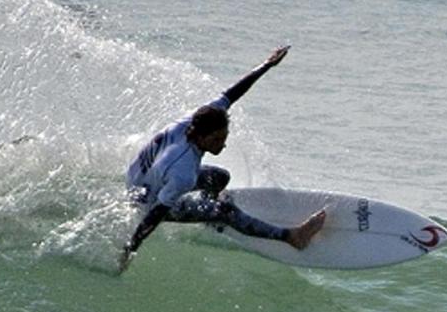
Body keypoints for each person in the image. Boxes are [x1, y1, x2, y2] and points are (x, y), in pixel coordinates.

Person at [120, 46, 326, 271]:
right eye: (217, 139)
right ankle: (291, 237)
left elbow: (231, 94)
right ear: (201, 136)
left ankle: (209, 213)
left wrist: (267, 65)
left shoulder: (193, 121)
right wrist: (132, 247)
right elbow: (156, 213)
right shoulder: (183, 173)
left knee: (219, 177)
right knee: (225, 212)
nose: (223, 144)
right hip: (145, 200)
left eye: (224, 137)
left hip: (139, 176)